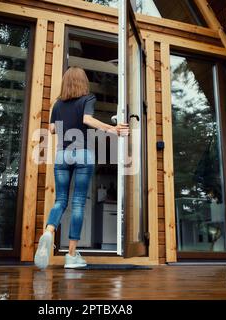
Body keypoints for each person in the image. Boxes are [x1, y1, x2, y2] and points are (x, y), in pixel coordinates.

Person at [34, 66, 129, 269]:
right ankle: (71, 255)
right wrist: (113, 129)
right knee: (78, 203)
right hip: (82, 153)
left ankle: (49, 231)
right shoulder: (88, 99)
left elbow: (51, 129)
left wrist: (65, 124)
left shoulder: (58, 104)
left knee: (60, 200)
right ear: (83, 82)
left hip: (62, 154)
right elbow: (87, 119)